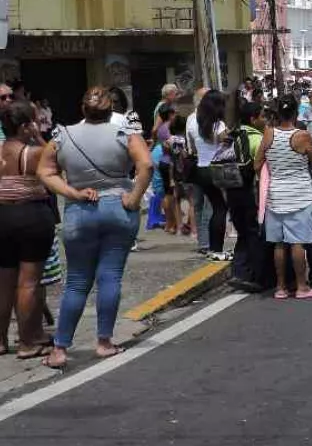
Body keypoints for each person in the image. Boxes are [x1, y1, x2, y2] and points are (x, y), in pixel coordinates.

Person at [37, 87, 153, 369]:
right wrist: (134, 198)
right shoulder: (124, 132)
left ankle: (61, 348)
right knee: (109, 276)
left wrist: (71, 193)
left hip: (80, 210)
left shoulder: (62, 135)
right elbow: (146, 165)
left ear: (82, 108)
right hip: (119, 208)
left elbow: (44, 172)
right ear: (111, 107)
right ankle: (103, 342)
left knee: (77, 282)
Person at [0, 101, 58, 359]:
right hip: (30, 215)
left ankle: (0, 341)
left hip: (2, 215)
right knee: (28, 282)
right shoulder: (33, 153)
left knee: (3, 282)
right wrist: (38, 137)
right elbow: (56, 163)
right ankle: (27, 342)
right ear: (25, 126)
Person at [255, 95, 312, 300]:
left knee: (278, 244)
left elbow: (257, 164)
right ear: (295, 113)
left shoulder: (268, 134)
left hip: (275, 196)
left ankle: (280, 288)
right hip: (300, 196)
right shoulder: (302, 136)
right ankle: (302, 287)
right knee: (297, 243)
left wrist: (272, 174)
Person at [226, 102, 268, 292]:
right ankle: (258, 277)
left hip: (231, 191)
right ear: (253, 119)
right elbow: (264, 171)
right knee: (254, 234)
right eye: (262, 116)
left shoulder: (230, 135)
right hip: (249, 192)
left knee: (243, 232)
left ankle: (239, 272)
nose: (265, 120)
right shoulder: (257, 139)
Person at [187, 90, 231, 261]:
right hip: (216, 169)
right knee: (220, 209)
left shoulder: (192, 122)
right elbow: (228, 145)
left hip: (201, 169)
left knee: (215, 207)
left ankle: (212, 249)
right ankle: (217, 249)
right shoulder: (218, 125)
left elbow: (192, 147)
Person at [152, 104, 181, 235]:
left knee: (169, 194)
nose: (176, 115)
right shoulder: (166, 129)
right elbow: (174, 147)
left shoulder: (163, 128)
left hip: (166, 162)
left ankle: (172, 223)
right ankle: (170, 223)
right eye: (174, 113)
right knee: (169, 194)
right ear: (170, 114)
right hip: (168, 163)